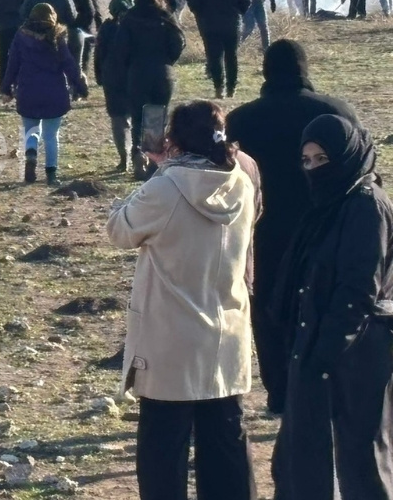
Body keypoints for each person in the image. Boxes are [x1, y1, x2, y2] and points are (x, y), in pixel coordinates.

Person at [107, 101, 259, 500]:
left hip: (170, 337)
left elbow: (119, 230)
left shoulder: (166, 186)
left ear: (174, 139)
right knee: (226, 443)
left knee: (163, 450)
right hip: (227, 330)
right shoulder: (242, 182)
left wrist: (161, 169)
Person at [225, 40, 359, 415]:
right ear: (305, 68)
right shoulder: (335, 111)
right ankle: (324, 388)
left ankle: (280, 392)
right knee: (327, 306)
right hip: (328, 228)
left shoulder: (241, 119)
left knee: (268, 309)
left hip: (264, 232)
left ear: (266, 71)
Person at [273, 114, 393, 499]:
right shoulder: (333, 205)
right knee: (302, 459)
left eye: (322, 159)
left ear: (347, 155)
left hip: (357, 352)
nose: (313, 169)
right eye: (306, 160)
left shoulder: (365, 206)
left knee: (361, 463)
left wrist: (325, 352)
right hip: (322, 347)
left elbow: (358, 288)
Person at [2, 3, 89, 185]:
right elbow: (69, 65)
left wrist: (6, 88)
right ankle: (51, 174)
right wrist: (80, 86)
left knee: (31, 131)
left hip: (28, 92)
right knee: (51, 136)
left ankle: (31, 155)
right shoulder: (58, 37)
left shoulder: (20, 36)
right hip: (54, 93)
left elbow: (12, 63)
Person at [113, 0, 187, 181]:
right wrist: (169, 60)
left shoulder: (129, 19)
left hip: (137, 73)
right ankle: (153, 162)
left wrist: (128, 65)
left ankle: (138, 154)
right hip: (162, 73)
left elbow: (121, 49)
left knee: (138, 118)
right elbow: (179, 42)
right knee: (156, 118)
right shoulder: (166, 17)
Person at [191, 0, 252, 99]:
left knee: (214, 56)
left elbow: (194, 2)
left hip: (210, 24)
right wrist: (239, 13)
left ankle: (219, 88)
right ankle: (231, 88)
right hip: (232, 23)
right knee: (232, 56)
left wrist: (202, 15)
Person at [95, 0, 135, 172]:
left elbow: (99, 55)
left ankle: (124, 159)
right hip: (135, 77)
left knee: (118, 120)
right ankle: (142, 156)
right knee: (139, 118)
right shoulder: (136, 26)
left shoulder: (106, 28)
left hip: (112, 79)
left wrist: (99, 76)